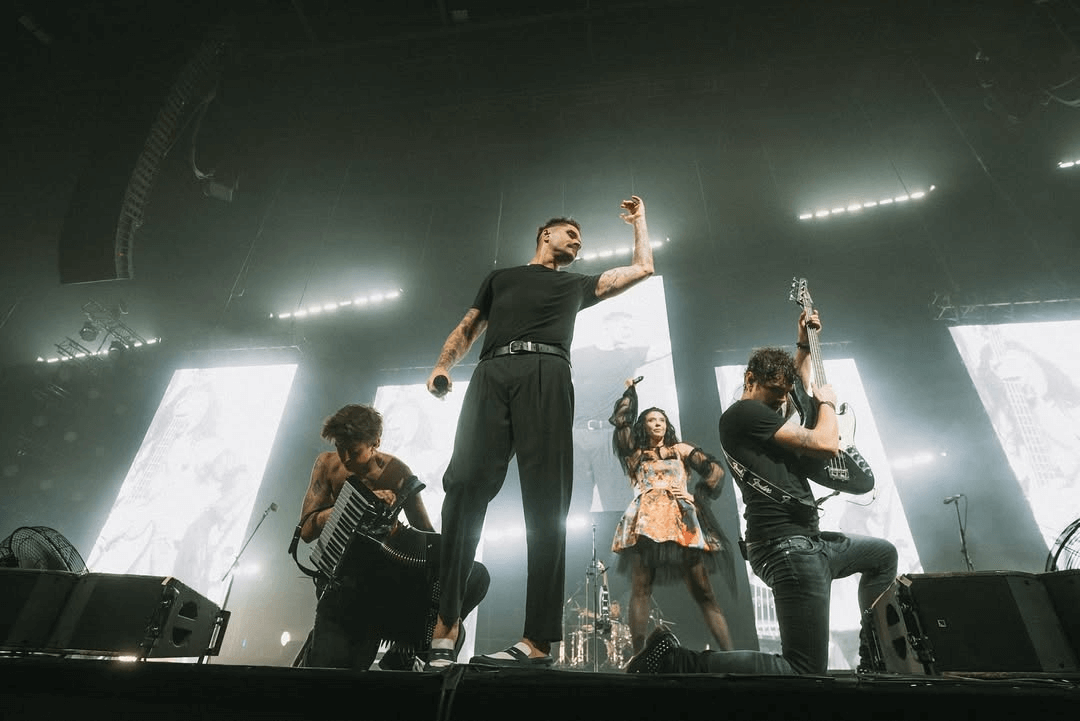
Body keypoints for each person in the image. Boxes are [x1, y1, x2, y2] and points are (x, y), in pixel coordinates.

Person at [425, 195, 655, 669]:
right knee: (464, 484)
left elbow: (643, 268)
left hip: (547, 373)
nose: (578, 242)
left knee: (548, 501)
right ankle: (446, 621)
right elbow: (468, 326)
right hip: (492, 373)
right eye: (571, 234)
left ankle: (536, 642)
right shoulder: (501, 278)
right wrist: (443, 365)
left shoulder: (576, 285)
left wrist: (640, 222)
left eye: (581, 239)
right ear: (545, 234)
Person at [626, 309, 898, 675]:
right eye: (773, 394)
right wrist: (828, 402)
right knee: (803, 669)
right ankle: (677, 660)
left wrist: (803, 344)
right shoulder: (744, 415)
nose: (780, 402)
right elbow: (825, 443)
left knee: (883, 556)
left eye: (782, 395)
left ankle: (875, 656)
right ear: (750, 379)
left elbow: (796, 387)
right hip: (785, 548)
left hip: (808, 542)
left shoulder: (767, 412)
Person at [296, 404, 489, 670]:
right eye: (341, 448)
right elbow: (306, 531)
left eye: (355, 451)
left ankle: (410, 647)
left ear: (375, 442)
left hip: (383, 586)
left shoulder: (398, 473)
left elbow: (428, 537)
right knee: (332, 671)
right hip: (340, 584)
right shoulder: (327, 464)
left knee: (476, 576)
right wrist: (353, 505)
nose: (346, 458)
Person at [608, 377, 735, 654]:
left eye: (662, 420)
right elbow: (622, 422)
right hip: (646, 522)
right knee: (641, 586)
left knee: (703, 590)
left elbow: (714, 471)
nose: (657, 424)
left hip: (681, 520)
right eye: (651, 420)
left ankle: (729, 655)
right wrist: (630, 391)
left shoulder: (681, 450)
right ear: (643, 425)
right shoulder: (635, 454)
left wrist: (696, 496)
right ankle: (639, 656)